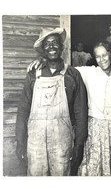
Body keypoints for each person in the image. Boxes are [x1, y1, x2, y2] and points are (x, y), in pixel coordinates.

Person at [28, 41, 111, 176]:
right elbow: (62, 67)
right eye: (98, 56)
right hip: (95, 132)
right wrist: (43, 59)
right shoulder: (89, 73)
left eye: (105, 55)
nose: (102, 60)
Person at [15, 27, 88, 176]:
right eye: (47, 44)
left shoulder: (73, 75)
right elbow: (23, 111)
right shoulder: (33, 75)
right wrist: (20, 141)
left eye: (55, 42)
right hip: (35, 145)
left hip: (63, 144)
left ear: (62, 47)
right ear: (42, 50)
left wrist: (79, 145)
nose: (51, 47)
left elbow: (81, 113)